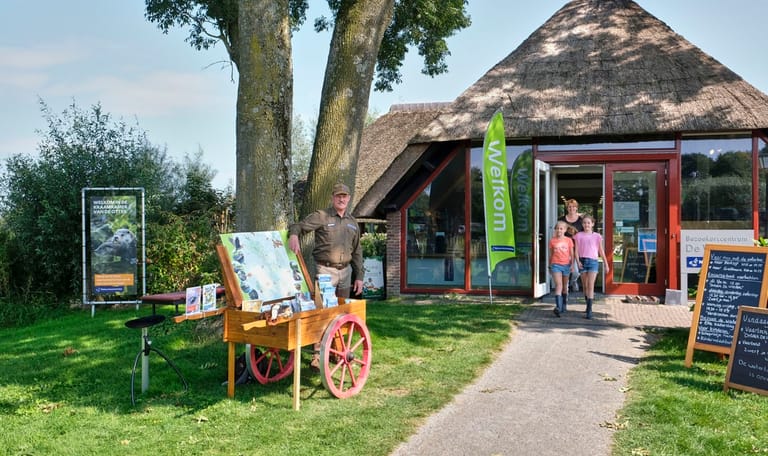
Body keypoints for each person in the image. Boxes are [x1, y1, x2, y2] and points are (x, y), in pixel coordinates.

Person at [289, 183, 364, 369]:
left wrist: (359, 276)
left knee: (342, 313)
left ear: (349, 198)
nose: (341, 199)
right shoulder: (322, 216)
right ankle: (317, 355)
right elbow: (298, 226)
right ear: (333, 198)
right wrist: (294, 235)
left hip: (346, 272)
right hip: (325, 271)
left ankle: (338, 352)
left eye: (344, 196)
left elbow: (357, 252)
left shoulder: (353, 222)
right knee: (321, 312)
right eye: (338, 196)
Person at [573, 215, 610, 319]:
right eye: (584, 223)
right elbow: (576, 250)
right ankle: (587, 304)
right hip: (582, 261)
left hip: (593, 262)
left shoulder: (597, 236)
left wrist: (606, 264)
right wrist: (578, 262)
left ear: (592, 224)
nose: (586, 225)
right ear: (582, 224)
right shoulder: (578, 235)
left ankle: (589, 310)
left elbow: (601, 251)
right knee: (585, 286)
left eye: (588, 223)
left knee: (590, 285)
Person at [557, 198, 584, 311]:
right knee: (565, 273)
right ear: (567, 208)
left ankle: (573, 281)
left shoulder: (581, 220)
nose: (571, 208)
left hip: (577, 249)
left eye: (573, 207)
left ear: (576, 208)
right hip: (564, 249)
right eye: (569, 206)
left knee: (576, 271)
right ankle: (565, 296)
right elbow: (558, 232)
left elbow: (584, 233)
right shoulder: (562, 219)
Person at [549, 220, 574, 317]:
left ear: (565, 230)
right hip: (556, 265)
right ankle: (558, 307)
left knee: (564, 287)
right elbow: (551, 254)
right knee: (558, 285)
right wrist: (550, 265)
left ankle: (564, 304)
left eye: (561, 228)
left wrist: (572, 265)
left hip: (566, 265)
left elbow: (571, 253)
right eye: (557, 228)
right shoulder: (552, 241)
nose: (559, 230)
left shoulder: (568, 240)